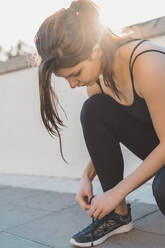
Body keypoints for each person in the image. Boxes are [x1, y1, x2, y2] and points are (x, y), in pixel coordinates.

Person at [34, 0, 165, 247]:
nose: (73, 84)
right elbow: (105, 131)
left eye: (75, 74)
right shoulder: (97, 82)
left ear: (95, 50)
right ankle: (118, 215)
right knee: (93, 110)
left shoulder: (147, 64)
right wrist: (87, 176)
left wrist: (117, 191)